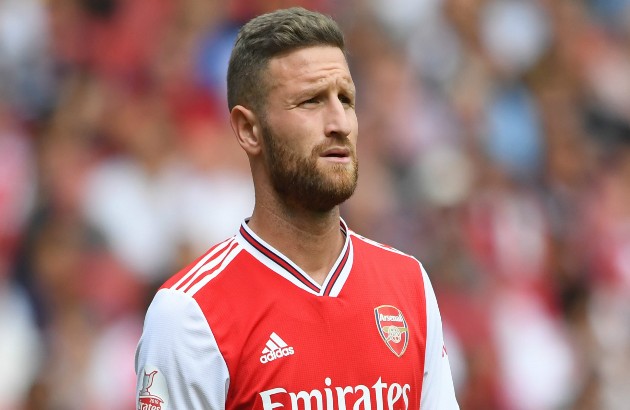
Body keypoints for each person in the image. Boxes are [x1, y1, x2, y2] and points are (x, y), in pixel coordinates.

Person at [135, 7, 459, 409]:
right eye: (311, 101)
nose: (340, 123)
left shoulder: (408, 284)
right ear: (249, 130)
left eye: (346, 99)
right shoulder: (190, 315)